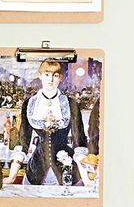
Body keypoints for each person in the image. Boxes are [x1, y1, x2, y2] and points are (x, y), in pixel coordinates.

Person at [6, 59, 87, 187]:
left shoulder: (70, 104)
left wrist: (86, 179)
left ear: (60, 78)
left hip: (66, 170)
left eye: (55, 75)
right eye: (47, 74)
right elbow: (23, 141)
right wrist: (12, 176)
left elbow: (79, 141)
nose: (51, 79)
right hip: (36, 170)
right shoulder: (30, 104)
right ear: (40, 76)